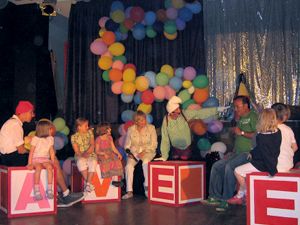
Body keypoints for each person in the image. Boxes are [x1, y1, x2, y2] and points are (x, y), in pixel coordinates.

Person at [0, 101, 84, 207]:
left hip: (8, 157)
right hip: (13, 158)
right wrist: (37, 152)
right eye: (31, 112)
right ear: (23, 112)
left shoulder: (12, 123)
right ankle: (66, 194)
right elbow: (21, 150)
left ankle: (58, 194)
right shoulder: (15, 124)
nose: (33, 115)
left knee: (45, 158)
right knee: (53, 161)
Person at [204, 96, 258, 211]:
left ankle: (226, 199)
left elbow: (257, 135)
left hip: (248, 153)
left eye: (238, 106)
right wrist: (232, 151)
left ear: (246, 106)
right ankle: (214, 196)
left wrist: (242, 132)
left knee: (230, 167)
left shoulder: (253, 116)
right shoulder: (240, 119)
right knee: (217, 166)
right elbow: (239, 138)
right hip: (237, 152)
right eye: (235, 107)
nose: (236, 109)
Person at [228, 108, 281, 204]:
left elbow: (266, 154)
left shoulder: (262, 136)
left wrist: (272, 170)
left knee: (238, 171)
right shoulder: (277, 132)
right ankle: (241, 194)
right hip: (269, 161)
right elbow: (269, 150)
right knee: (243, 171)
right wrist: (252, 153)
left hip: (262, 164)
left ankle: (246, 193)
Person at [157, 96, 229, 161]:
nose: (178, 112)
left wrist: (217, 109)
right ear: (170, 112)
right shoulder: (166, 120)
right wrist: (164, 156)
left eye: (179, 110)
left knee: (185, 165)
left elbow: (200, 113)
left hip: (186, 148)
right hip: (175, 149)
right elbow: (165, 139)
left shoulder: (184, 114)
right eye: (175, 112)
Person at [122, 110, 158, 199]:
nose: (143, 122)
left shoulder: (151, 128)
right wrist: (129, 153)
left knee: (145, 162)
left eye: (144, 119)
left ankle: (146, 187)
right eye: (141, 120)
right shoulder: (131, 129)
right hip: (135, 153)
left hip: (148, 151)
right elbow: (127, 145)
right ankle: (129, 191)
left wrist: (144, 151)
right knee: (128, 167)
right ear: (136, 121)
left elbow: (154, 144)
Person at [27, 119, 55, 201]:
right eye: (50, 129)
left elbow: (51, 151)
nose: (52, 130)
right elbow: (31, 152)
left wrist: (52, 161)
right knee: (38, 168)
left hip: (45, 159)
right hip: (36, 159)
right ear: (45, 130)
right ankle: (36, 190)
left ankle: (49, 189)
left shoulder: (50, 139)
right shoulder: (36, 139)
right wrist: (30, 163)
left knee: (49, 168)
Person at [71, 118, 97, 193]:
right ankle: (89, 184)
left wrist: (87, 153)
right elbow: (77, 150)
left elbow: (92, 145)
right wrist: (82, 155)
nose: (87, 127)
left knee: (93, 162)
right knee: (80, 162)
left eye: (87, 125)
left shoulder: (90, 133)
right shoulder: (74, 137)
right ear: (79, 127)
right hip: (80, 155)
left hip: (90, 153)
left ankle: (88, 184)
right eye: (85, 126)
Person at [271, 103, 298, 172]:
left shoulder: (267, 129)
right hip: (287, 165)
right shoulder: (288, 129)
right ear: (285, 116)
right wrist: (287, 154)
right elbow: (295, 147)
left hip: (272, 166)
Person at [95, 122, 123, 187]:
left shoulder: (110, 137)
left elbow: (113, 147)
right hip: (101, 154)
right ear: (104, 130)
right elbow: (96, 151)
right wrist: (103, 153)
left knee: (116, 160)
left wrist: (118, 153)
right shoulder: (98, 139)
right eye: (108, 128)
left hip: (110, 153)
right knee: (106, 161)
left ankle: (115, 180)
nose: (110, 129)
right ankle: (107, 179)